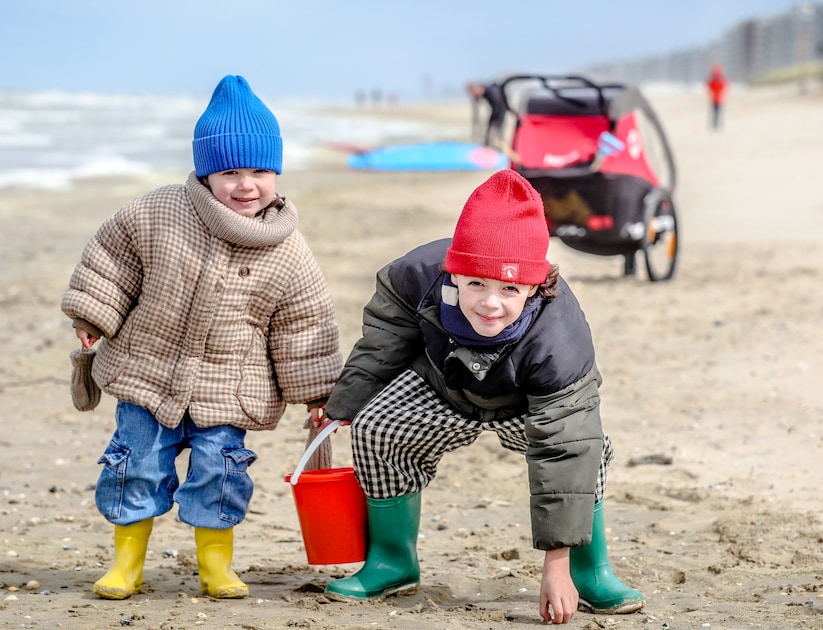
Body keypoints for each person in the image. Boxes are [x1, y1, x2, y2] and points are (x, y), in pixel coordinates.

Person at [318, 170, 645, 624]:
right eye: (475, 285)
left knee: (591, 453)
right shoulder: (416, 276)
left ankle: (589, 571)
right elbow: (384, 341)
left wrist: (555, 565)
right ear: (453, 275)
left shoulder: (559, 340)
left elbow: (566, 449)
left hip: (522, 402)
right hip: (444, 381)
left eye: (510, 289)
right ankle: (392, 563)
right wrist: (343, 406)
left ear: (535, 286)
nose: (490, 303)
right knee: (378, 430)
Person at [61, 75, 342, 601]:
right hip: (149, 371)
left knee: (220, 473)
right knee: (135, 466)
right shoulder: (159, 212)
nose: (246, 184)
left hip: (229, 388)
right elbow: (111, 260)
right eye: (229, 171)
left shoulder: (288, 248)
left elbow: (305, 323)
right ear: (205, 170)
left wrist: (320, 391)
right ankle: (126, 562)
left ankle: (216, 566)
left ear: (277, 171)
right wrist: (93, 314)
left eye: (260, 170)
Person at [706, 64, 728, 131]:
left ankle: (717, 125)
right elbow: (709, 86)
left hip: (719, 99)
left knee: (718, 113)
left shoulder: (718, 81)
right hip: (715, 99)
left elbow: (724, 86)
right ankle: (716, 125)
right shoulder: (714, 81)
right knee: (716, 113)